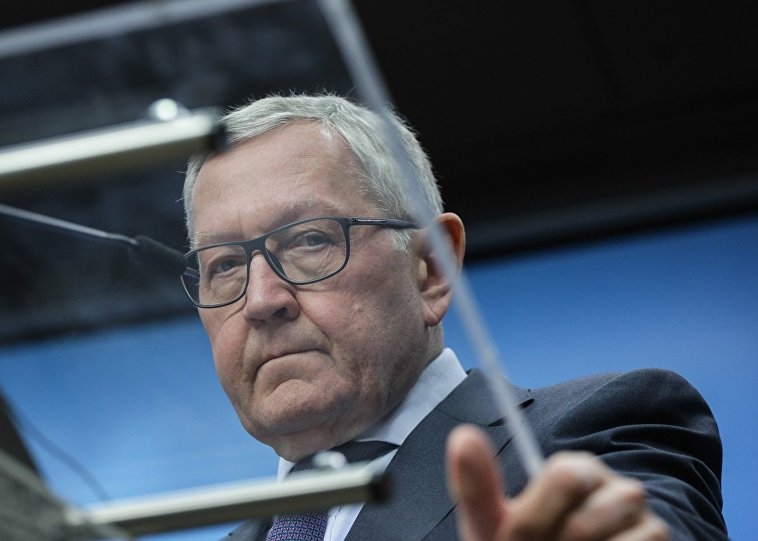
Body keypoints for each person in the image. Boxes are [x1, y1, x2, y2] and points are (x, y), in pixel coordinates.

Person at [179, 93, 727, 541]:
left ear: (430, 269)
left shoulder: (587, 438)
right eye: (224, 265)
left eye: (309, 241)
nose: (260, 300)